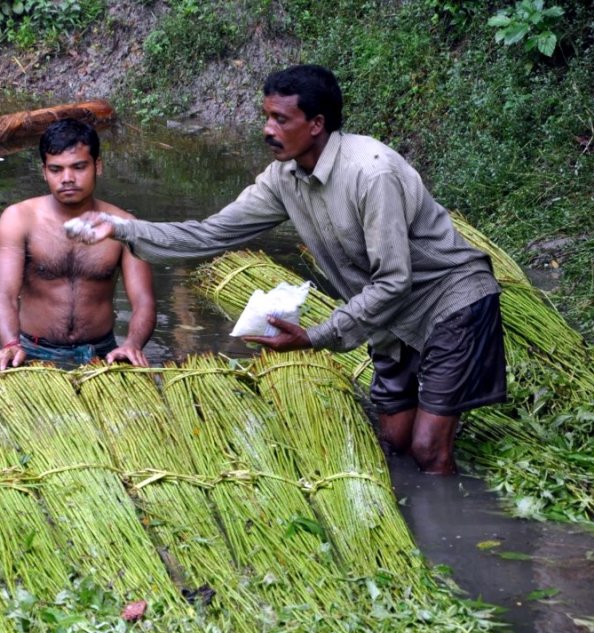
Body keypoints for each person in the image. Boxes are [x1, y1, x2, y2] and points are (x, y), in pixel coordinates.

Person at [68, 65, 506, 475]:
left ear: (316, 124)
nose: (268, 131)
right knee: (395, 442)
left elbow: (394, 279)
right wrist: (123, 228)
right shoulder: (284, 177)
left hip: (449, 301)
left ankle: (449, 545)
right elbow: (212, 233)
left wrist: (317, 336)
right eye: (266, 117)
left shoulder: (371, 173)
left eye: (280, 120)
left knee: (428, 451)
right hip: (392, 319)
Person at [0, 118, 155, 373]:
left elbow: (143, 300)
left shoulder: (124, 226)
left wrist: (132, 343)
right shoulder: (18, 219)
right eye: (56, 169)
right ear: (44, 171)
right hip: (31, 351)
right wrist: (10, 343)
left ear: (97, 166)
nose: (67, 178)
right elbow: (4, 295)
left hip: (102, 353)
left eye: (78, 167)